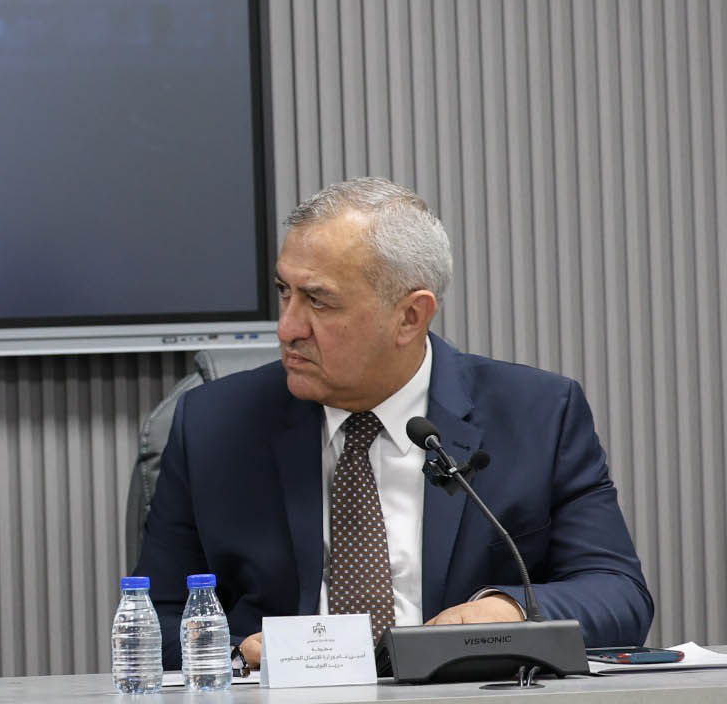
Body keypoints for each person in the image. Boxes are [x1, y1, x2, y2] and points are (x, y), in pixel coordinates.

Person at [135, 178, 651, 672]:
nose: (287, 328)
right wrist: (235, 653)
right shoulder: (214, 425)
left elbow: (617, 593)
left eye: (318, 300)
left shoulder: (537, 414)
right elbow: (154, 619)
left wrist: (508, 609)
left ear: (410, 317)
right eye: (284, 292)